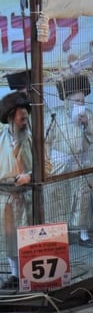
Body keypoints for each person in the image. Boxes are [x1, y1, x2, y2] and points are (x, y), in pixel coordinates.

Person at [44, 76, 93, 244]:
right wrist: (47, 162)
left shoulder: (88, 115)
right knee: (57, 198)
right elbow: (46, 141)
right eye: (76, 101)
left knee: (82, 198)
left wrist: (86, 125)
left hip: (81, 162)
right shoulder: (54, 115)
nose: (80, 104)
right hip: (58, 163)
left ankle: (83, 234)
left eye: (82, 101)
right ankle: (57, 236)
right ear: (67, 101)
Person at [0, 90, 32, 289]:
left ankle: (28, 274)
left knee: (26, 236)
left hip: (27, 196)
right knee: (9, 236)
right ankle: (14, 274)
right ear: (11, 118)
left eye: (26, 118)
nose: (24, 122)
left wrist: (30, 176)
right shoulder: (0, 138)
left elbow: (46, 166)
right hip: (5, 197)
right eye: (21, 119)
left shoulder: (32, 139)